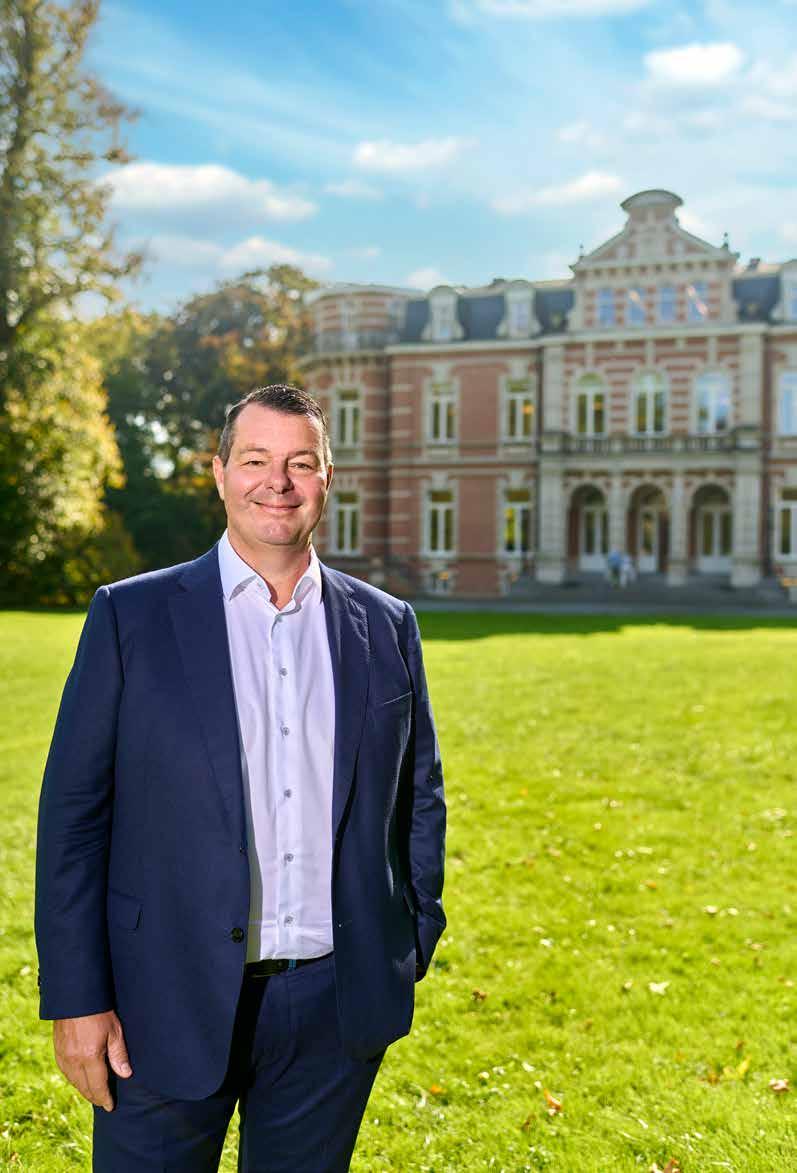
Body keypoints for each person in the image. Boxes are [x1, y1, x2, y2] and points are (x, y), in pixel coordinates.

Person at [35, 383, 446, 1172]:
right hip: (160, 999)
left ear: (327, 477)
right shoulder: (130, 617)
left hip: (334, 1006)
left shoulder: (386, 624)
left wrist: (410, 935)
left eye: (300, 463)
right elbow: (73, 819)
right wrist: (79, 996)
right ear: (219, 472)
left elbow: (417, 796)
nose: (277, 482)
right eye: (255, 460)